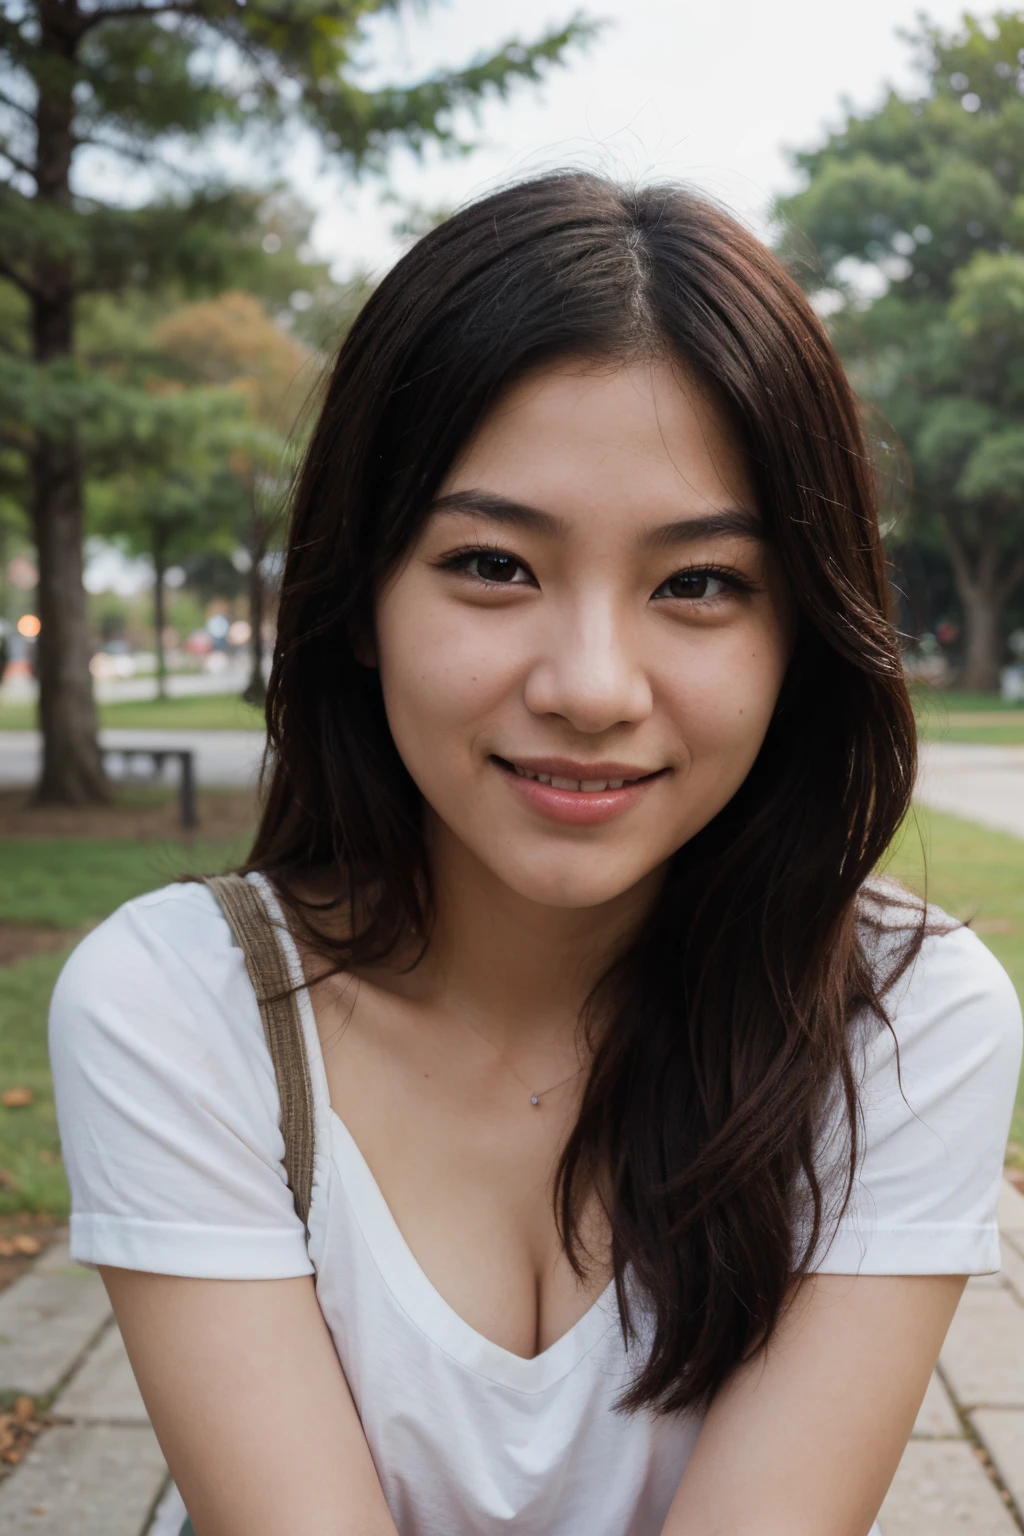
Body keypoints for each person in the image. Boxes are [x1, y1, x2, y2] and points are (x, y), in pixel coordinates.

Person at [50, 173, 1022, 1536]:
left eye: (700, 584)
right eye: (496, 564)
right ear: (363, 599)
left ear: (799, 639)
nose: (591, 686)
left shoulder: (907, 1027)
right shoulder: (177, 1011)